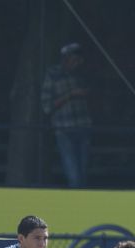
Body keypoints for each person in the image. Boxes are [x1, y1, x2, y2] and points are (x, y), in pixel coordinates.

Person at [40, 42, 92, 188]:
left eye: (79, 60)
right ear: (66, 59)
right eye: (74, 60)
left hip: (83, 127)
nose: (77, 63)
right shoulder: (52, 75)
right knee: (73, 176)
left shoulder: (81, 75)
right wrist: (70, 95)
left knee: (83, 174)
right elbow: (47, 107)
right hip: (64, 130)